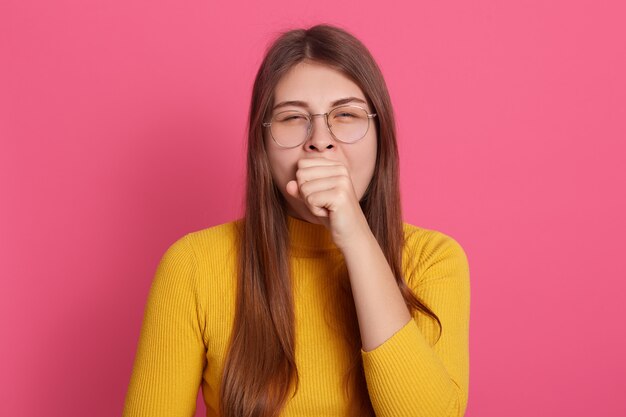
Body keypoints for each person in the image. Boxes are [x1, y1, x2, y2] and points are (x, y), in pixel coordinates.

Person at [122, 24, 470, 417]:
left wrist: (356, 238)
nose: (320, 139)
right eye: (292, 118)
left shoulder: (433, 260)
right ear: (262, 147)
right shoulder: (193, 266)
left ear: (381, 135)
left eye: (346, 114)